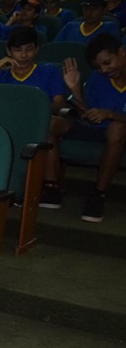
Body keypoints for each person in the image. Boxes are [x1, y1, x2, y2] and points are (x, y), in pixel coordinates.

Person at [41, 33, 126, 222]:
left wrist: (111, 115)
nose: (104, 70)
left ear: (121, 52)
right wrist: (76, 89)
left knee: (117, 128)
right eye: (98, 66)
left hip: (119, 133)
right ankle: (51, 187)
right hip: (93, 129)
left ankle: (98, 194)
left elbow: (110, 117)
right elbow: (87, 113)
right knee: (50, 123)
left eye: (107, 62)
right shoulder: (98, 77)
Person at [0, 26, 66, 111]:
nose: (24, 55)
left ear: (36, 50)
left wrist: (32, 111)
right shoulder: (1, 75)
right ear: (8, 51)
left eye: (29, 49)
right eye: (17, 50)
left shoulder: (50, 71)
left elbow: (59, 104)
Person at [55, 0, 120, 44]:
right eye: (86, 8)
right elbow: (55, 48)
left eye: (94, 9)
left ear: (104, 9)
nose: (89, 12)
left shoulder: (110, 28)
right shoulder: (69, 27)